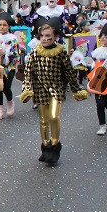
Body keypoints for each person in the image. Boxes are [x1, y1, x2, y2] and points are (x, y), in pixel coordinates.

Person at [19, 18, 88, 166]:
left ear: (55, 36)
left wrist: (76, 90)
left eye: (48, 36)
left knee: (53, 116)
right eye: (43, 36)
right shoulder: (34, 54)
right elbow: (28, 73)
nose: (45, 39)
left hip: (57, 89)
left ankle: (55, 146)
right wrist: (26, 90)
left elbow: (69, 73)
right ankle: (46, 147)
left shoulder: (60, 53)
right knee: (43, 119)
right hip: (40, 89)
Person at [0, 12, 21, 120]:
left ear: (9, 26)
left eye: (4, 25)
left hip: (9, 67)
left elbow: (16, 52)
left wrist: (6, 53)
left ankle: (10, 103)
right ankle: (0, 111)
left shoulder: (13, 38)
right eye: (0, 25)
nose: (2, 27)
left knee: (6, 87)